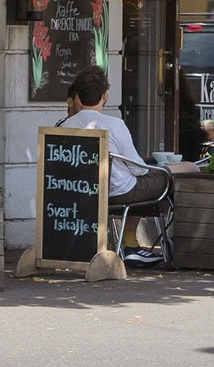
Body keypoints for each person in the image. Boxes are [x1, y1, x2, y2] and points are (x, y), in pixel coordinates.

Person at [63, 65, 169, 264]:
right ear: (105, 96)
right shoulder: (114, 124)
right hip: (118, 192)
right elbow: (138, 169)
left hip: (81, 193)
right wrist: (165, 169)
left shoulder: (65, 126)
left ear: (79, 96)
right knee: (167, 180)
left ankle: (131, 245)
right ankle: (133, 245)